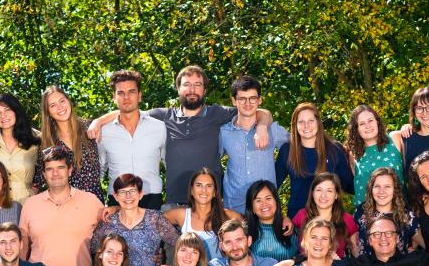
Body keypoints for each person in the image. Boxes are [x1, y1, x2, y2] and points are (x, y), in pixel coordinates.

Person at [90, 65, 274, 206]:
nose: (192, 90)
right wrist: (98, 122)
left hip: (211, 203)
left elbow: (257, 111)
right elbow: (129, 111)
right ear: (178, 88)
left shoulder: (218, 114)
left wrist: (262, 127)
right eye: (187, 85)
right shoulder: (163, 117)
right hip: (174, 203)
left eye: (197, 85)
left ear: (204, 90)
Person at [19, 145, 103, 266]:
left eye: (60, 167)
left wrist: (115, 208)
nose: (55, 173)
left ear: (70, 170)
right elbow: (23, 243)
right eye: (49, 169)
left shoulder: (91, 201)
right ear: (44, 174)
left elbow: (113, 226)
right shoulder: (30, 204)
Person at [96, 70, 167, 208]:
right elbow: (99, 169)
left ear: (139, 96)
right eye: (120, 93)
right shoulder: (104, 132)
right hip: (117, 200)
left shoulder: (159, 127)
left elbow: (169, 164)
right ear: (114, 97)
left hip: (152, 199)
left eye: (131, 92)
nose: (126, 97)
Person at [219, 75, 290, 213]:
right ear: (234, 101)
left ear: (259, 100)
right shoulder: (224, 132)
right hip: (234, 207)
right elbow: (210, 160)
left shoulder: (272, 130)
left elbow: (300, 144)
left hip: (266, 209)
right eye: (242, 99)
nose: (248, 103)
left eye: (252, 98)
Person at [92, 173, 179, 266]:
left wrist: (167, 263)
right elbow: (94, 251)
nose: (128, 196)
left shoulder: (155, 218)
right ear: (115, 196)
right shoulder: (107, 223)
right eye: (122, 192)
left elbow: (179, 244)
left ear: (141, 194)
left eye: (132, 191)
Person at [276, 102, 354, 218]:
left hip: (329, 221)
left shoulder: (334, 149)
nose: (306, 125)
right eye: (301, 122)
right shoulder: (287, 150)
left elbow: (350, 187)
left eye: (311, 120)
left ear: (318, 122)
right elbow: (272, 186)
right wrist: (281, 217)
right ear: (295, 125)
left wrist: (354, 165)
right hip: (297, 220)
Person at [35, 85, 103, 200]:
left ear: (69, 101)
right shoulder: (47, 143)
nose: (59, 107)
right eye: (53, 105)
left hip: (95, 204)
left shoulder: (89, 128)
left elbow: (121, 114)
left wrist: (99, 121)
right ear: (48, 112)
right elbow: (38, 181)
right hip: (64, 206)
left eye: (62, 101)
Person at [163, 167, 241, 260]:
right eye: (199, 185)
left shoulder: (229, 216)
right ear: (191, 190)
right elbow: (153, 221)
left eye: (209, 186)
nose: (204, 190)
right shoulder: (182, 215)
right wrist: (160, 250)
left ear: (215, 192)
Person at [0, 93, 41, 204]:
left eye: (7, 110)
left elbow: (50, 163)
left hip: (26, 205)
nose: (3, 116)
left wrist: (36, 187)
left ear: (16, 111)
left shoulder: (36, 137)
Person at [345, 104, 404, 205]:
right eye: (362, 124)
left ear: (377, 122)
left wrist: (409, 126)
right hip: (367, 212)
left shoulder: (395, 139)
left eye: (370, 120)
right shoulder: (354, 153)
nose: (367, 126)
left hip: (400, 208)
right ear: (356, 128)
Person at [355, 167, 420, 256]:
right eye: (377, 186)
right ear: (371, 189)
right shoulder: (361, 210)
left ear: (395, 190)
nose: (381, 191)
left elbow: (426, 244)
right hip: (366, 264)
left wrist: (414, 255)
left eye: (387, 186)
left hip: (398, 264)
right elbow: (352, 242)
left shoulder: (405, 214)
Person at [291, 173, 358, 259]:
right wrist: (285, 219)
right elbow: (286, 236)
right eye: (319, 190)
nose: (323, 195)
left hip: (336, 265)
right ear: (312, 193)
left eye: (329, 191)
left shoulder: (347, 219)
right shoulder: (302, 215)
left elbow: (356, 250)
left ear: (336, 195)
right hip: (305, 265)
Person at [243, 180, 297, 261]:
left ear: (276, 201)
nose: (264, 204)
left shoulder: (290, 229)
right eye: (258, 200)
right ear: (252, 208)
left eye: (268, 198)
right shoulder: (245, 232)